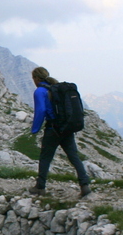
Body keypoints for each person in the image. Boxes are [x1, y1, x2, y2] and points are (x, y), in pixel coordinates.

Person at [30, 67, 90, 198]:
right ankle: (84, 185)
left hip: (53, 129)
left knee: (45, 157)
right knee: (74, 156)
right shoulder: (56, 88)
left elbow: (40, 111)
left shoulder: (40, 91)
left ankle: (40, 187)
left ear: (36, 78)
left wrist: (34, 129)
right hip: (66, 128)